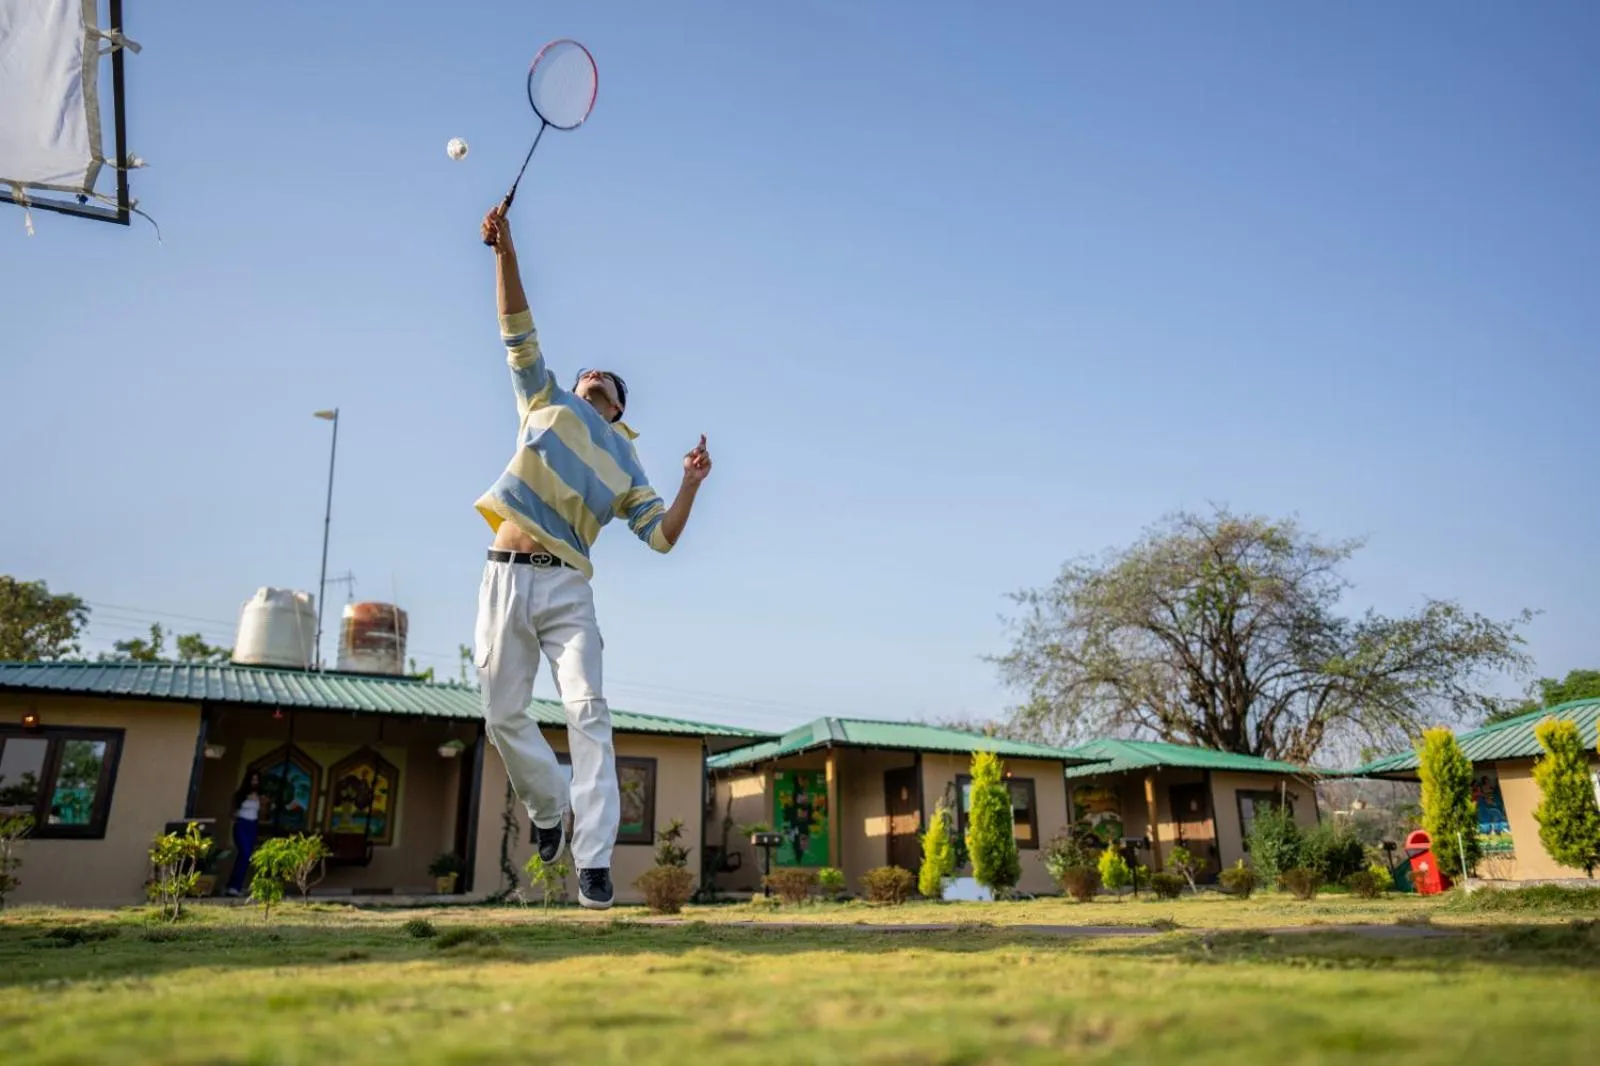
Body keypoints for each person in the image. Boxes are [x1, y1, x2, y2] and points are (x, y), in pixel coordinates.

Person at [474, 205, 712, 909]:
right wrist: (503, 250)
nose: (593, 378)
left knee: (589, 712)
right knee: (500, 715)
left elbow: (661, 538)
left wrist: (690, 485)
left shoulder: (627, 462)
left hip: (569, 589)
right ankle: (549, 809)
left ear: (616, 408)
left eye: (604, 382)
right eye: (588, 376)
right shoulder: (543, 398)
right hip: (502, 576)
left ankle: (594, 860)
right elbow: (516, 325)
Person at [225, 770, 264, 897]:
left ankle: (235, 886)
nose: (255, 782)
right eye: (253, 779)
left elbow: (264, 812)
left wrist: (263, 802)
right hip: (242, 824)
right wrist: (237, 815)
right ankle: (233, 887)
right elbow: (231, 813)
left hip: (253, 825)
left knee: (246, 857)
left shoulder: (259, 795)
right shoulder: (240, 795)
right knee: (245, 853)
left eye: (257, 780)